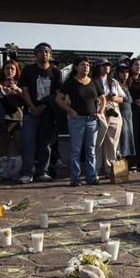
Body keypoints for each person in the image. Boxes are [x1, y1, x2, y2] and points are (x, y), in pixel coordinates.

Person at [56, 57, 105, 186]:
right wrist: (69, 110)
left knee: (91, 150)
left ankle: (91, 177)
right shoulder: (70, 82)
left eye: (88, 65)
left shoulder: (94, 82)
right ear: (76, 67)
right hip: (76, 120)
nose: (86, 67)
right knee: (75, 150)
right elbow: (59, 99)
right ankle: (75, 178)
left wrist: (100, 112)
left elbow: (103, 98)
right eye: (83, 64)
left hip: (92, 120)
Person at [18, 42, 60, 183]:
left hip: (48, 113)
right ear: (35, 54)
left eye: (47, 51)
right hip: (30, 113)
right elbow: (24, 91)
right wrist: (33, 107)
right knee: (29, 144)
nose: (45, 53)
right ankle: (27, 172)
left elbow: (57, 94)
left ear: (51, 54)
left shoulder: (55, 72)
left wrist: (43, 106)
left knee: (46, 145)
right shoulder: (28, 70)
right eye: (41, 51)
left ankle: (42, 171)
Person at [93, 59, 124, 176]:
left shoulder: (113, 82)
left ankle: (110, 170)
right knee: (97, 142)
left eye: (108, 65)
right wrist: (104, 98)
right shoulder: (92, 81)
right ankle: (95, 170)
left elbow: (121, 98)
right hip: (99, 112)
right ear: (97, 67)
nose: (106, 67)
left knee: (112, 142)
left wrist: (112, 98)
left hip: (114, 111)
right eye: (103, 65)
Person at [0, 60, 24, 157]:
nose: (9, 71)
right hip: (3, 118)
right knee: (3, 146)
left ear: (16, 71)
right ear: (3, 70)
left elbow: (27, 96)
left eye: (12, 69)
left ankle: (22, 168)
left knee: (20, 145)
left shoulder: (21, 83)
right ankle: (3, 168)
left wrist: (16, 88)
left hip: (17, 118)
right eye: (7, 68)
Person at [116, 64, 136, 169]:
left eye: (127, 72)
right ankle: (119, 166)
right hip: (121, 115)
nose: (125, 74)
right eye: (122, 72)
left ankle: (125, 165)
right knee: (121, 140)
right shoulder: (115, 84)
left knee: (127, 139)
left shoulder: (126, 85)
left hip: (129, 116)